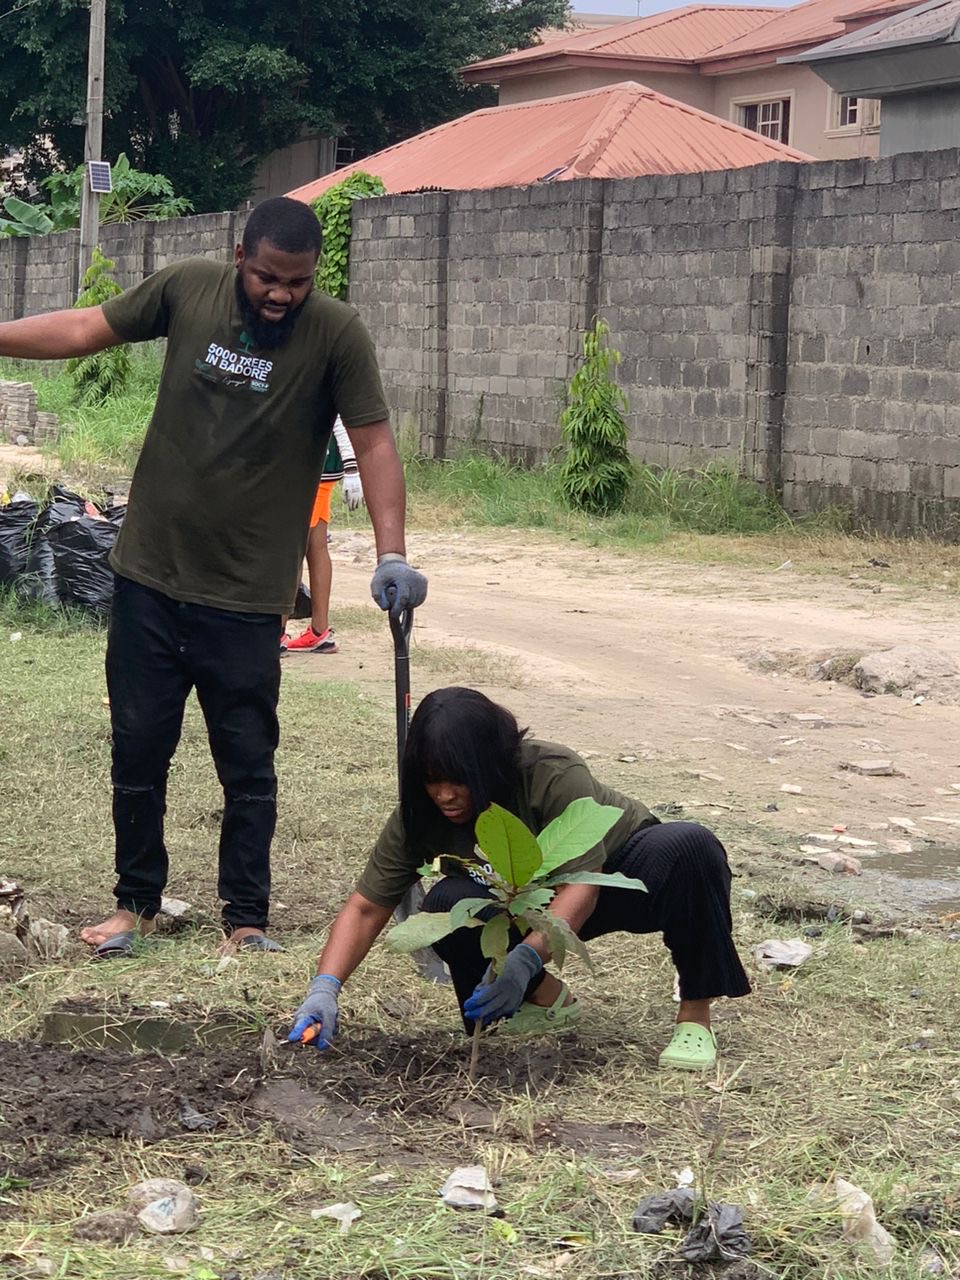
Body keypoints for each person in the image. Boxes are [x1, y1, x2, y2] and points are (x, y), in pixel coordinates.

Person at [0, 196, 427, 957]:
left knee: (247, 763)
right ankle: (135, 903)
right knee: (137, 749)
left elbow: (376, 443)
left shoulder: (336, 334)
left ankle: (247, 919)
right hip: (149, 578)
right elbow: (83, 328)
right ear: (240, 257)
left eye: (296, 282)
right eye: (267, 277)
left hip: (246, 596)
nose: (280, 295)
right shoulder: (187, 289)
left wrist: (392, 553)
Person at [288, 687, 750, 1070]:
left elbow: (582, 886)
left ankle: (694, 1016)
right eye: (431, 780)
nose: (445, 795)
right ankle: (546, 1001)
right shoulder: (420, 813)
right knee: (448, 902)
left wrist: (525, 958)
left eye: (459, 780)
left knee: (691, 846)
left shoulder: (550, 772)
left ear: (493, 765)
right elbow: (368, 906)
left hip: (611, 876)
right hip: (520, 900)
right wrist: (324, 989)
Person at [280, 417, 363, 655]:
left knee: (293, 549)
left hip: (314, 466)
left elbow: (338, 416)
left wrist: (351, 466)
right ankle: (319, 632)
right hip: (320, 465)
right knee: (315, 547)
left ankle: (277, 632)